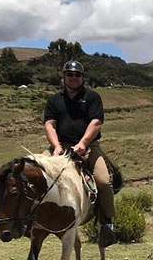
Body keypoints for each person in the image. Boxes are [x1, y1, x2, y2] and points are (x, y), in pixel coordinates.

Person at [44, 60, 116, 247]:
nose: (73, 78)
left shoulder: (92, 97)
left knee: (103, 181)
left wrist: (83, 143)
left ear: (82, 78)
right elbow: (50, 125)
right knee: (35, 171)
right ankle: (30, 218)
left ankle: (107, 223)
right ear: (64, 77)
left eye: (77, 75)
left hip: (89, 146)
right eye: (70, 74)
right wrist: (56, 146)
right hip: (60, 147)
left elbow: (96, 122)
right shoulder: (54, 100)